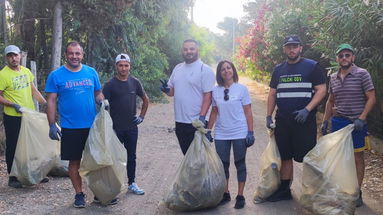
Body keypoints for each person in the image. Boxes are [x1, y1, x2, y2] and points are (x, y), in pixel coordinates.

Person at [45, 41, 106, 208]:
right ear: (66, 54)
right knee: (74, 163)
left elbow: (98, 92)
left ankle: (99, 194)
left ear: (82, 54)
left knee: (96, 161)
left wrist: (102, 101)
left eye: (77, 53)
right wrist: (51, 124)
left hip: (92, 126)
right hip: (70, 127)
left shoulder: (91, 72)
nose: (74, 56)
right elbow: (50, 100)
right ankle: (79, 194)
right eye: (71, 53)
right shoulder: (56, 75)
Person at [265, 35, 326, 202]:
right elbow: (272, 94)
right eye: (288, 46)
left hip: (304, 122)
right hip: (283, 121)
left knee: (309, 157)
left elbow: (321, 90)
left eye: (295, 46)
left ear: (300, 48)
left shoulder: (312, 67)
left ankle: (314, 191)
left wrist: (307, 110)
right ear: (284, 49)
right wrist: (269, 116)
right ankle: (285, 190)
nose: (292, 49)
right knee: (285, 156)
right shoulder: (278, 69)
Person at [321, 43, 376, 207]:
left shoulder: (362, 74)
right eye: (341, 56)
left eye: (347, 55)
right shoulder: (333, 77)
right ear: (337, 58)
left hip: (357, 123)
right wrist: (325, 121)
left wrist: (362, 117)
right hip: (339, 121)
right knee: (339, 158)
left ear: (353, 57)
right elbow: (330, 101)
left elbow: (372, 97)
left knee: (357, 157)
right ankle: (342, 189)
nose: (344, 58)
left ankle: (357, 192)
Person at [206, 60, 254, 209]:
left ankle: (240, 195)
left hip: (239, 131)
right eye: (222, 69)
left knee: (240, 163)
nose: (226, 71)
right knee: (223, 165)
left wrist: (250, 131)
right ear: (219, 73)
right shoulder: (215, 91)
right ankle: (225, 193)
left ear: (233, 70)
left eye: (228, 68)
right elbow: (214, 111)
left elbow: (248, 111)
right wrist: (208, 130)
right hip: (221, 133)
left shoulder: (242, 89)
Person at [0, 45, 47, 188]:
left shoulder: (26, 71)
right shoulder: (3, 74)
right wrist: (12, 104)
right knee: (13, 146)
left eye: (15, 55)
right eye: (10, 56)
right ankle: (13, 177)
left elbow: (33, 90)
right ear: (6, 58)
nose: (13, 58)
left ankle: (34, 173)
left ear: (20, 55)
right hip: (13, 116)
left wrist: (44, 102)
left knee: (31, 144)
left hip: (29, 115)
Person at [103, 53, 149, 195]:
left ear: (130, 66)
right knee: (114, 157)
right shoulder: (110, 85)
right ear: (116, 66)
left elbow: (145, 99)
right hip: (115, 128)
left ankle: (132, 183)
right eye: (120, 65)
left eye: (126, 65)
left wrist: (141, 116)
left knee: (131, 156)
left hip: (131, 127)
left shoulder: (135, 82)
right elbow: (103, 105)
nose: (123, 68)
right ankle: (113, 185)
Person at [160, 39, 215, 155]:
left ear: (197, 50)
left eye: (191, 49)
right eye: (185, 49)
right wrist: (166, 90)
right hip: (180, 121)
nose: (188, 51)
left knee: (199, 159)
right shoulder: (178, 68)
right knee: (187, 157)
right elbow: (172, 92)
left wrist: (202, 117)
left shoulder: (205, 69)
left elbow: (208, 96)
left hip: (196, 122)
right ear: (182, 51)